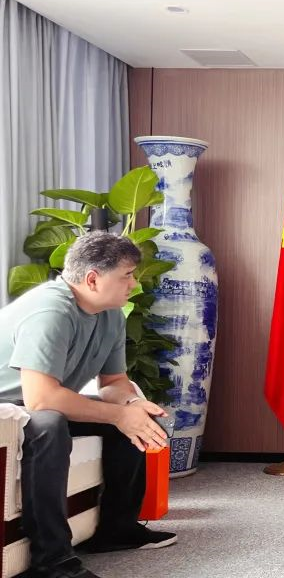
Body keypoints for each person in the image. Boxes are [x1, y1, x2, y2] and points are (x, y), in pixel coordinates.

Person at [0, 232, 177, 578]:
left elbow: (113, 383)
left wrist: (131, 405)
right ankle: (52, 562)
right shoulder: (50, 310)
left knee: (133, 419)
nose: (133, 284)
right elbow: (41, 399)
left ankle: (117, 530)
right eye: (126, 275)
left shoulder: (111, 315)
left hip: (37, 401)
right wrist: (118, 415)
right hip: (7, 408)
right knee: (49, 425)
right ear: (93, 279)